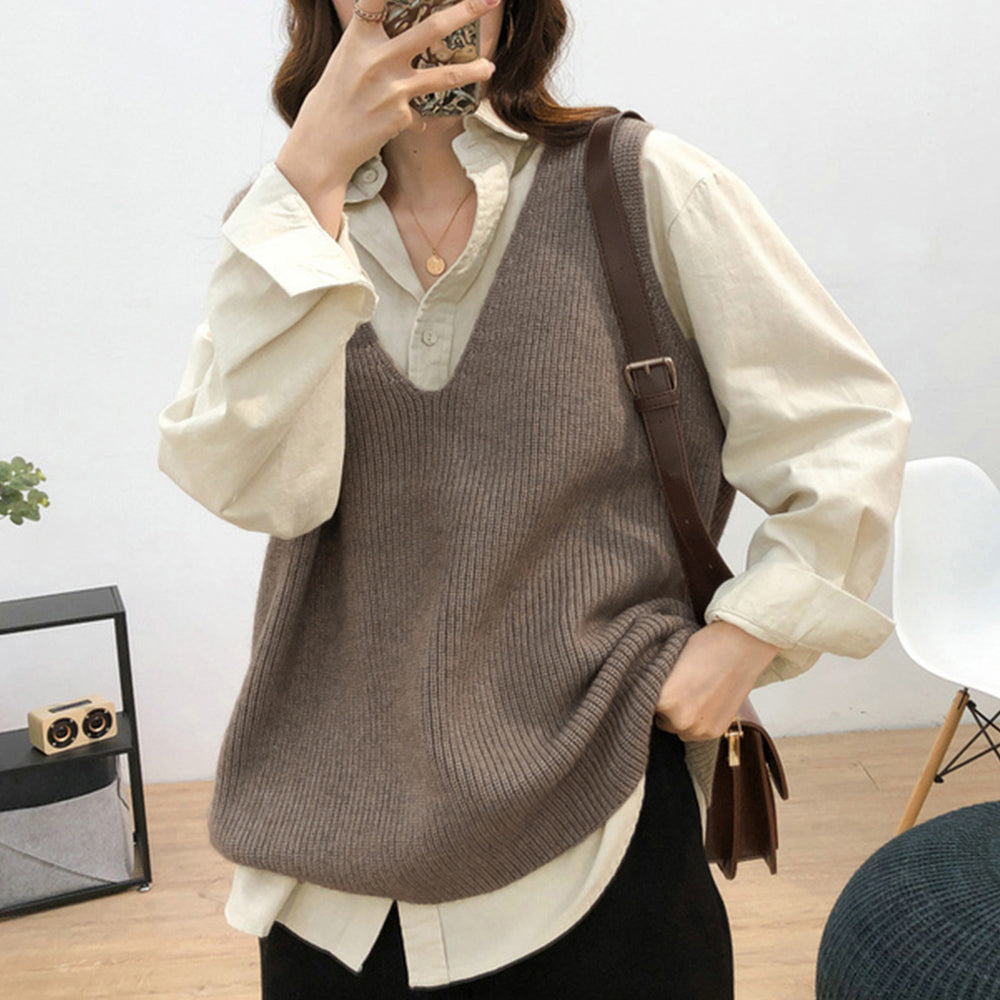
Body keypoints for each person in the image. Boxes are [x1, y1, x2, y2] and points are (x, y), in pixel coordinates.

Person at [157, 0, 911, 996]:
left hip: (596, 812)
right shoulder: (288, 228)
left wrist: (742, 640)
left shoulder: (639, 184)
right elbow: (250, 486)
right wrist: (304, 185)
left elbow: (844, 425)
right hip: (327, 854)